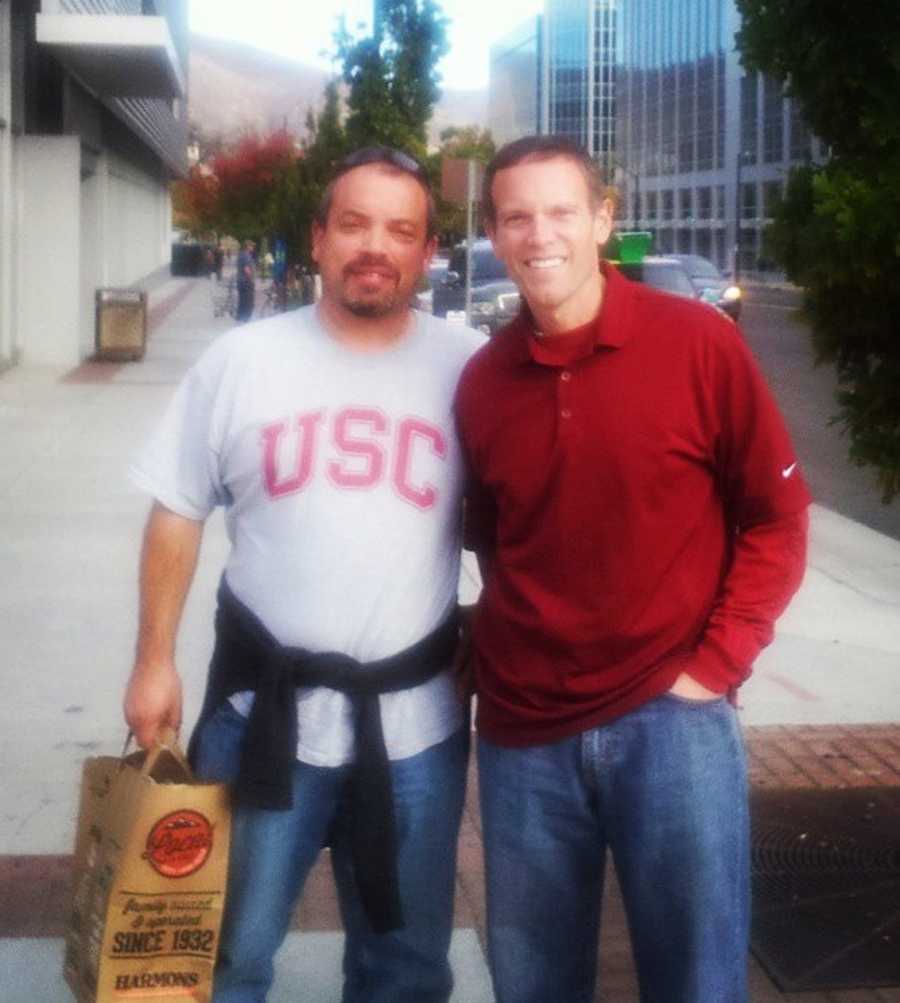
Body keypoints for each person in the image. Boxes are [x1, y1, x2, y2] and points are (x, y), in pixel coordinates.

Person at [454, 135, 811, 1003]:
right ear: (496, 236)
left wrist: (716, 664)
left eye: (561, 211)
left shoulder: (698, 344)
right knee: (534, 983)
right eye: (516, 217)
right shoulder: (482, 383)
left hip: (673, 725)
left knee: (697, 981)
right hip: (524, 736)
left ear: (604, 220)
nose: (540, 235)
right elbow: (499, 541)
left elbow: (777, 516)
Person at [124, 146, 484, 1003]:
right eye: (354, 223)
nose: (376, 246)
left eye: (401, 230)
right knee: (226, 958)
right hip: (260, 720)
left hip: (417, 731)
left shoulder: (471, 370)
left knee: (403, 968)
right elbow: (177, 506)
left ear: (429, 251)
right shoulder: (243, 361)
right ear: (318, 239)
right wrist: (153, 658)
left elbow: (523, 521)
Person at [236, 239, 256, 322]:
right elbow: (246, 269)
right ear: (247, 247)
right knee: (248, 301)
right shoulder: (246, 256)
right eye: (251, 246)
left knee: (242, 300)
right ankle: (246, 319)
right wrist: (251, 279)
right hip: (246, 282)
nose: (253, 247)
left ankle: (240, 317)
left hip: (241, 281)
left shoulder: (241, 254)